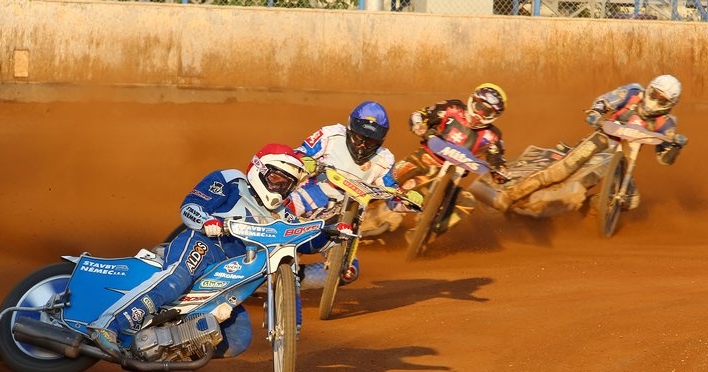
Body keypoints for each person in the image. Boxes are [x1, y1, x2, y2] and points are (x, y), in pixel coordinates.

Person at [87, 144, 350, 358]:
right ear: (260, 169)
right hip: (203, 245)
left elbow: (301, 239)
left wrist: (330, 234)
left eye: (287, 184)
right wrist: (207, 222)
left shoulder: (281, 215)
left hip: (231, 277)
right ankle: (107, 326)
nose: (280, 188)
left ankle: (166, 351)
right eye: (277, 179)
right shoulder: (231, 180)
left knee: (238, 338)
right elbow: (190, 206)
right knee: (175, 280)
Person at [493, 74, 688, 212]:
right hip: (604, 137)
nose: (655, 101)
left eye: (662, 100)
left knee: (632, 200)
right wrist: (596, 112)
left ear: (670, 104)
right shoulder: (633, 92)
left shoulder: (667, 123)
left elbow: (664, 159)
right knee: (560, 171)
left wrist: (676, 146)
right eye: (654, 94)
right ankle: (510, 195)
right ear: (650, 88)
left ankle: (591, 207)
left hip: (626, 156)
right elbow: (606, 100)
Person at [287, 101, 420, 283]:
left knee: (348, 272)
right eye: (359, 138)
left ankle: (289, 281)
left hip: (347, 219)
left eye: (370, 141)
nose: (362, 146)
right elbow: (298, 154)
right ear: (350, 129)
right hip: (311, 196)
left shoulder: (385, 159)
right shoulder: (330, 135)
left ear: (380, 140)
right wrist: (304, 161)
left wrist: (408, 201)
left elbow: (392, 195)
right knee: (281, 211)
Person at [386, 83, 509, 233]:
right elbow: (420, 114)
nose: (480, 114)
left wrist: (500, 171)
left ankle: (429, 233)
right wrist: (419, 125)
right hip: (423, 158)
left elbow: (497, 158)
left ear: (494, 116)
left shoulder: (492, 136)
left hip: (452, 177)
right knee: (387, 178)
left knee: (467, 202)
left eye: (487, 112)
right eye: (479, 107)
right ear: (473, 100)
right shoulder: (452, 108)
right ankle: (357, 203)